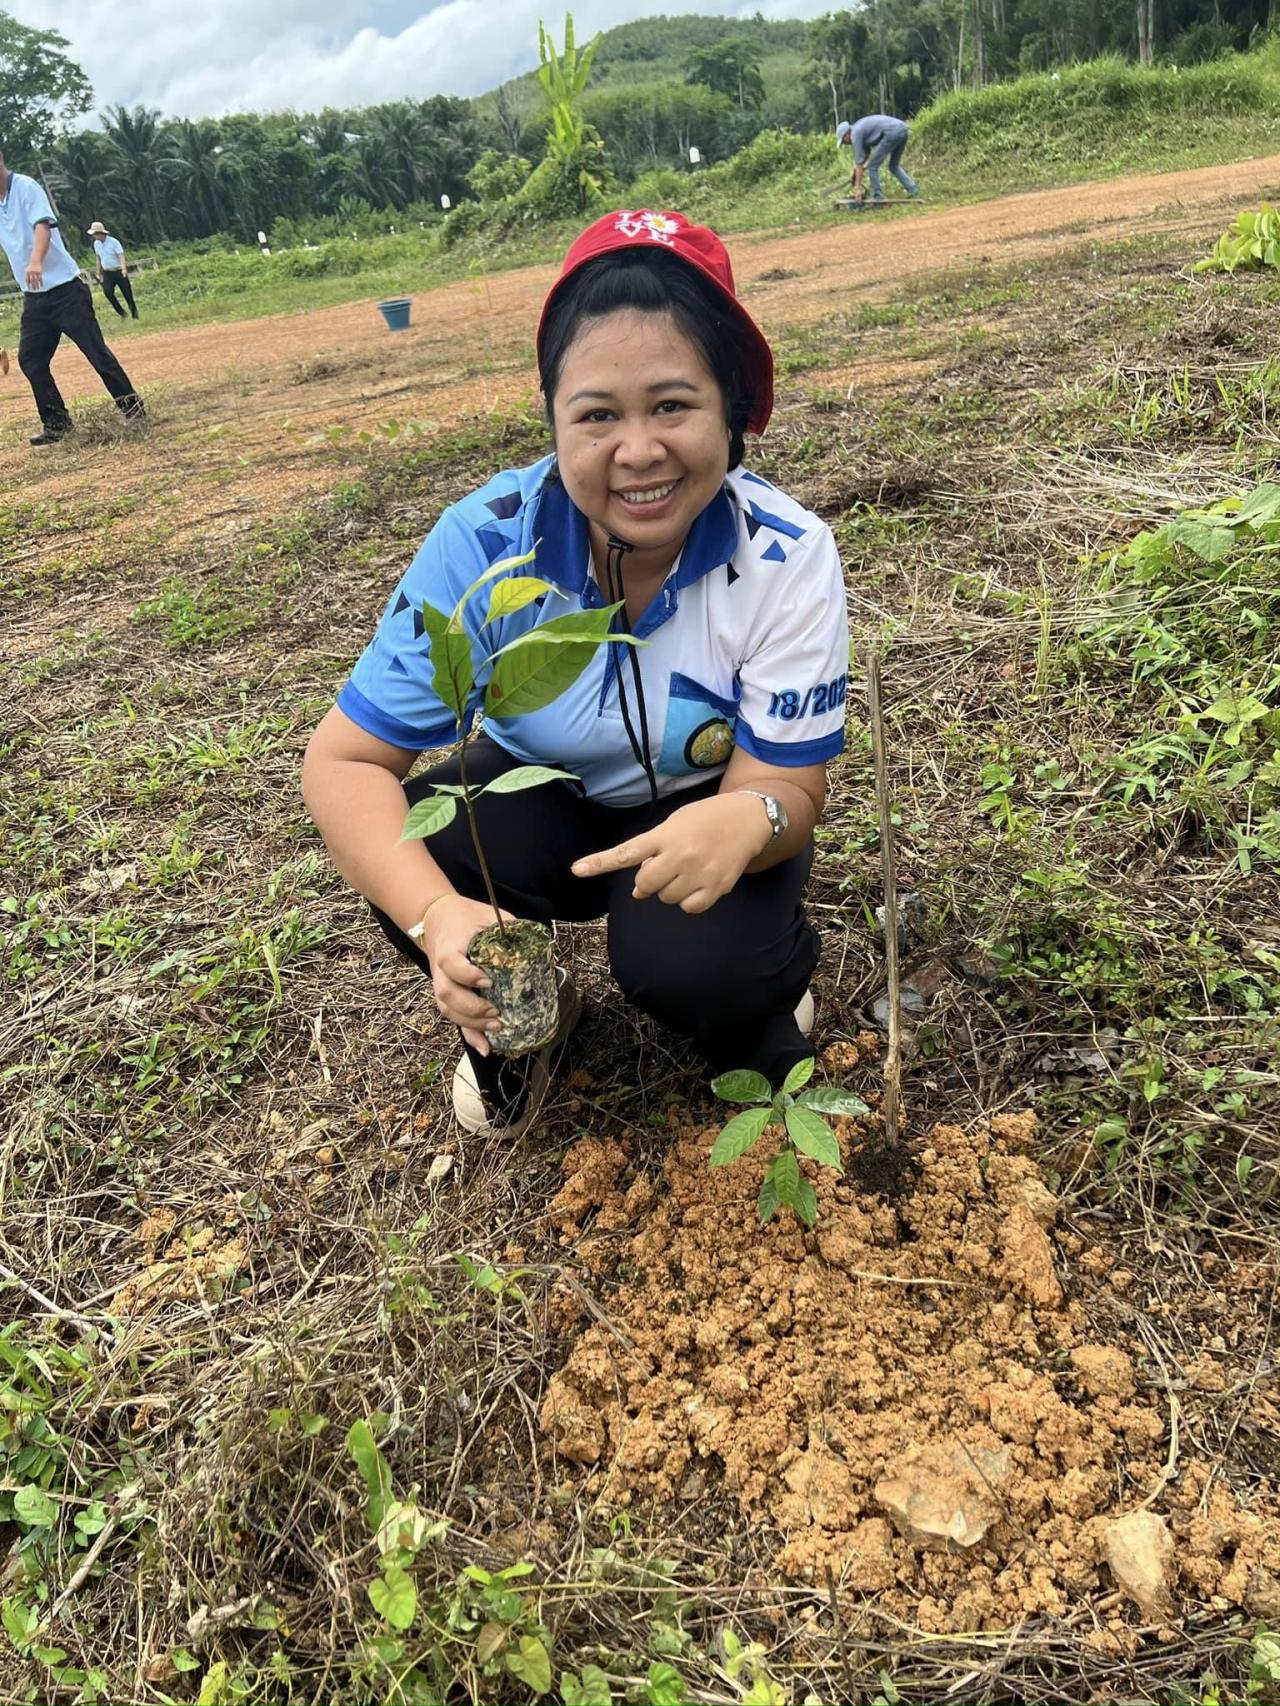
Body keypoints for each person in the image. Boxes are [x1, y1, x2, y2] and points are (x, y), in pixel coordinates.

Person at [302, 209, 850, 1138]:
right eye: (597, 416)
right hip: (543, 795)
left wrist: (748, 817)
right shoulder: (483, 548)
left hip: (706, 803)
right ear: (554, 420)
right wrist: (439, 917)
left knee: (696, 966)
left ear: (733, 410)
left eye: (673, 405)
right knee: (424, 844)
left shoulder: (786, 556)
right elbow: (346, 765)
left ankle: (752, 1002)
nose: (637, 452)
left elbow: (789, 785)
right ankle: (520, 1027)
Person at [0, 148, 144, 445]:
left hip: (66, 291)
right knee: (31, 360)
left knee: (96, 353)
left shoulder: (26, 188)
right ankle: (57, 423)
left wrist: (36, 260)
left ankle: (134, 411)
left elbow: (43, 226)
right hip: (35, 299)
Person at [836, 115, 919, 204]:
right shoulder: (859, 129)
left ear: (847, 134)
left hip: (892, 133)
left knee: (872, 166)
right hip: (902, 128)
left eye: (844, 141)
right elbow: (865, 154)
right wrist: (856, 170)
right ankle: (913, 189)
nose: (846, 143)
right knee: (893, 166)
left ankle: (878, 197)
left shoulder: (855, 134)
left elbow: (859, 163)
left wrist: (858, 190)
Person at [88, 220, 139, 320]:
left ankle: (134, 315)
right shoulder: (96, 244)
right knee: (108, 292)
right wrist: (99, 273)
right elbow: (98, 258)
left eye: (95, 234)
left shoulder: (114, 242)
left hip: (119, 271)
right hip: (107, 272)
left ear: (100, 233)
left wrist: (124, 269)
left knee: (127, 294)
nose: (94, 236)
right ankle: (122, 313)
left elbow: (121, 256)